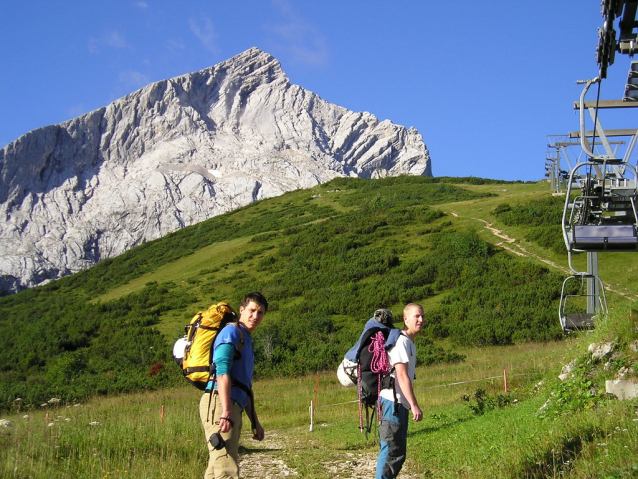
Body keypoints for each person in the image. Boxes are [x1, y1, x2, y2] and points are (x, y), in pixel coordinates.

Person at [199, 292, 268, 479]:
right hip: (219, 403)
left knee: (217, 469)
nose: (255, 316)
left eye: (260, 312)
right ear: (242, 310)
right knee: (226, 469)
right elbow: (222, 371)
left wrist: (255, 421)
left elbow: (245, 386)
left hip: (231, 404)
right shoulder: (232, 332)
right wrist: (226, 411)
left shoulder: (246, 339)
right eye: (252, 310)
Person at [376, 303, 424, 479]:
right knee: (391, 452)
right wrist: (414, 405)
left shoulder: (410, 343)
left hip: (398, 405)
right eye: (416, 316)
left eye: (422, 316)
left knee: (397, 454)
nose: (421, 320)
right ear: (405, 319)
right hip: (392, 403)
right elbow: (401, 376)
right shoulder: (402, 342)